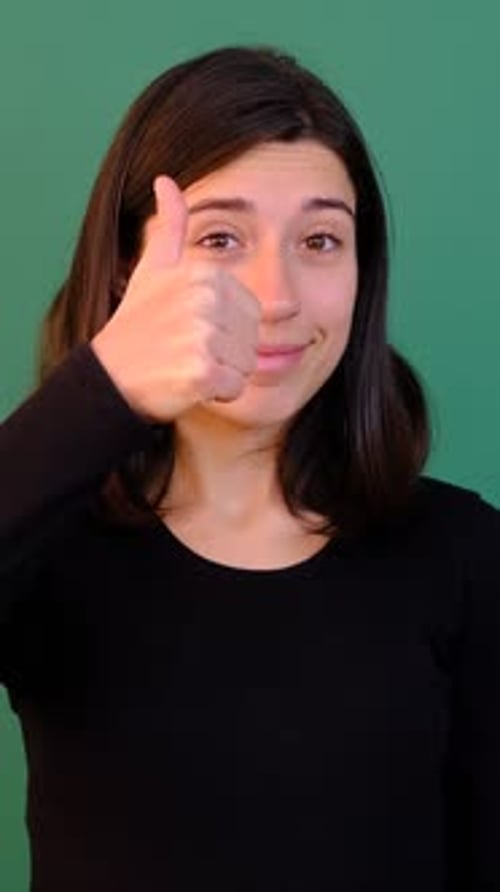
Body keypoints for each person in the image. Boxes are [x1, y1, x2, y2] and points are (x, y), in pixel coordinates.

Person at [0, 45, 499, 892]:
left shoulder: (464, 555)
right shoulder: (49, 544)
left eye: (320, 240)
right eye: (220, 238)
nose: (277, 296)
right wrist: (106, 386)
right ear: (126, 269)